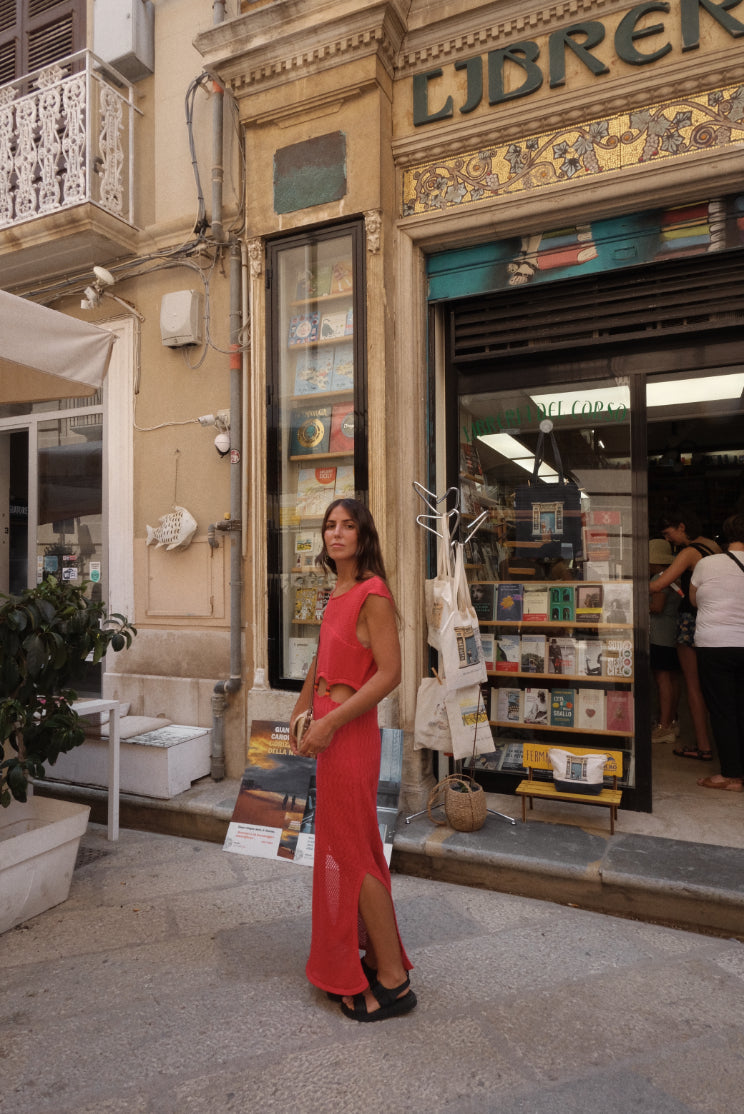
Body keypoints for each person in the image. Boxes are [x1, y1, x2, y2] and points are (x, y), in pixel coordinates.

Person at [289, 498, 416, 1021]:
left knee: (356, 853)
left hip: (348, 733)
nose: (336, 534)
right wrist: (299, 711)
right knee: (343, 850)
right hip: (325, 731)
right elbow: (321, 659)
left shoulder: (373, 593)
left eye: (347, 526)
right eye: (329, 526)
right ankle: (364, 961)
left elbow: (390, 674)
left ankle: (394, 979)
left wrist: (329, 723)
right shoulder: (335, 592)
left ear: (364, 537)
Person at [649, 506, 720, 761]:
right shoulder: (713, 547)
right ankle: (712, 743)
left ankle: (703, 745)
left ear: (682, 527)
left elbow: (658, 584)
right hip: (713, 620)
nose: (668, 539)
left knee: (693, 686)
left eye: (669, 533)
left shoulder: (690, 552)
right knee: (709, 684)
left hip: (691, 620)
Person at [689, 513, 744, 792]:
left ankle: (731, 775)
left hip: (715, 644)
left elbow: (694, 599)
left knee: (723, 710)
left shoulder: (706, 563)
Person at [648, 538, 681, 744]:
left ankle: (664, 726)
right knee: (671, 679)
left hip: (659, 635)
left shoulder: (660, 578)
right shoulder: (674, 576)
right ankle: (672, 720)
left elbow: (657, 607)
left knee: (662, 680)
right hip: (669, 633)